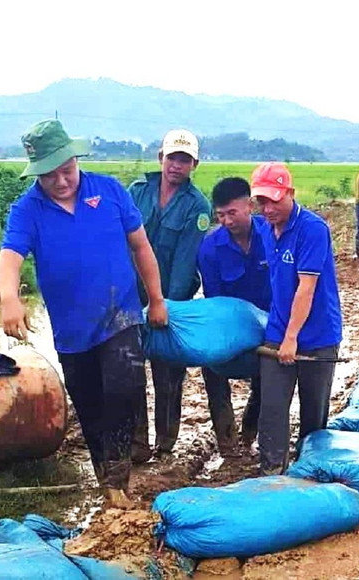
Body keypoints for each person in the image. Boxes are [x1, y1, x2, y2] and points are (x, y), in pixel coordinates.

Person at [0, 119, 168, 509]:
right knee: (89, 406)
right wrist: (9, 297)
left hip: (121, 314)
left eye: (66, 171)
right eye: (49, 175)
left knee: (124, 388)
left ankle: (120, 478)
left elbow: (141, 248)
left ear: (76, 159)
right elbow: (10, 258)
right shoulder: (27, 209)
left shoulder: (108, 191)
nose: (60, 181)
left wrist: (156, 299)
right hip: (73, 330)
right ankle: (106, 481)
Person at [251, 162, 342, 476]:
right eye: (262, 201)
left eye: (275, 200)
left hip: (318, 334)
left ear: (290, 193)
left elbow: (307, 288)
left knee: (313, 411)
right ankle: (271, 469)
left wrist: (292, 338)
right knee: (273, 407)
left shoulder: (313, 229)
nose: (268, 208)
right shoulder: (263, 227)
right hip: (278, 328)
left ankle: (309, 469)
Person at [127, 129, 212, 457]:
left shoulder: (197, 207)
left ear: (194, 165)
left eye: (185, 160)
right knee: (130, 372)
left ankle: (165, 443)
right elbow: (122, 245)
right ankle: (137, 443)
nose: (177, 165)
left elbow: (184, 263)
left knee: (167, 375)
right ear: (161, 158)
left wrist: (165, 306)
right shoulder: (137, 192)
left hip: (170, 302)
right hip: (130, 300)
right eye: (172, 157)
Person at [197, 177, 271, 455]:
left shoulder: (272, 234)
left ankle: (250, 433)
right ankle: (227, 441)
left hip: (267, 324)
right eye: (220, 215)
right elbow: (215, 302)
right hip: (228, 323)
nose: (227, 221)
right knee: (212, 365)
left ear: (250, 206)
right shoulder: (209, 248)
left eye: (232, 213)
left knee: (269, 375)